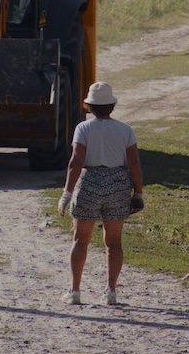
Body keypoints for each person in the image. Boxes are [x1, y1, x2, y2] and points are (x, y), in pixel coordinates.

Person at [57, 81, 145, 306]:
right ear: (112, 105)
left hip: (90, 183)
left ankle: (75, 290)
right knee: (114, 242)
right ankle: (111, 291)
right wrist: (138, 193)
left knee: (80, 240)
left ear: (89, 106)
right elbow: (134, 163)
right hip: (117, 183)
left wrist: (67, 192)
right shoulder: (125, 130)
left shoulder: (83, 129)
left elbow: (76, 161)